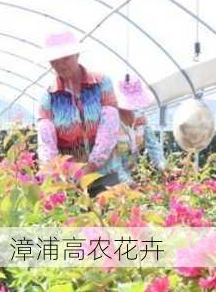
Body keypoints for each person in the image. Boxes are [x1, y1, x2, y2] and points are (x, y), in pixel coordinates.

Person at [35, 30, 122, 197]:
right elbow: (46, 143)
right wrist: (55, 176)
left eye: (65, 58)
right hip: (69, 182)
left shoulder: (102, 83)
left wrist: (90, 168)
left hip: (105, 176)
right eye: (54, 60)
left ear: (77, 55)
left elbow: (109, 130)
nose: (60, 64)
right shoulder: (48, 96)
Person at [112, 74, 166, 184]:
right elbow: (113, 163)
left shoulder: (140, 115)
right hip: (112, 179)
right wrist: (129, 183)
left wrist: (162, 166)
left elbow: (153, 144)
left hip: (131, 172)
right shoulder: (111, 122)